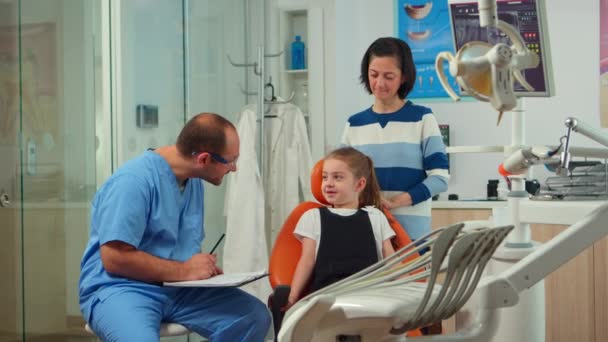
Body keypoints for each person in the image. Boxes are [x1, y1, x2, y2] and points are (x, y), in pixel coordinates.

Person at [79, 113, 271, 341]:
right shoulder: (133, 182)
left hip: (178, 288)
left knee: (253, 317)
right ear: (203, 159)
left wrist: (201, 270)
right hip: (121, 289)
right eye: (230, 161)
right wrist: (185, 270)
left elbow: (181, 246)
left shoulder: (193, 181)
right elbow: (114, 258)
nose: (234, 169)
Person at [341, 36, 450, 242]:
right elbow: (343, 178)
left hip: (411, 236)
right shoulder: (354, 124)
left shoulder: (422, 118)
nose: (379, 83)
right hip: (365, 234)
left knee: (410, 275)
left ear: (404, 77)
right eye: (373, 74)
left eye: (389, 76)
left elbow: (440, 178)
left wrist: (397, 201)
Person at [286, 147, 396, 308]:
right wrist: (292, 299)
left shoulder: (376, 217)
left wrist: (411, 290)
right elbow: (307, 261)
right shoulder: (313, 217)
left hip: (370, 300)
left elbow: (392, 260)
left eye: (337, 177)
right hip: (327, 301)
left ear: (359, 184)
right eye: (325, 177)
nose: (328, 183)